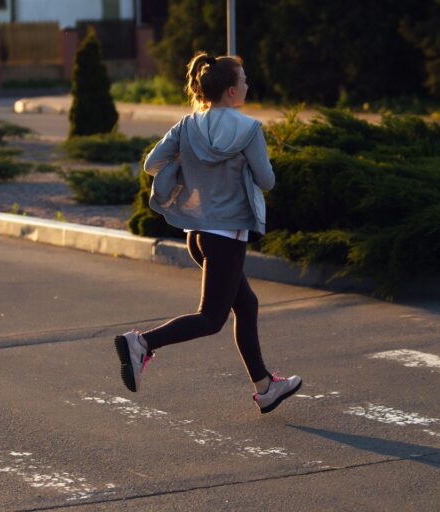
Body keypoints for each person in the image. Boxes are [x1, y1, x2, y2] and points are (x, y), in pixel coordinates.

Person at [114, 52, 302, 414]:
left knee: (246, 306)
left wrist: (189, 162)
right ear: (232, 92)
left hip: (197, 235)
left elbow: (152, 164)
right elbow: (267, 180)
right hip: (227, 236)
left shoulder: (187, 126)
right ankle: (142, 343)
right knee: (211, 318)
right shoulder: (248, 130)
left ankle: (265, 387)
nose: (248, 85)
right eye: (244, 80)